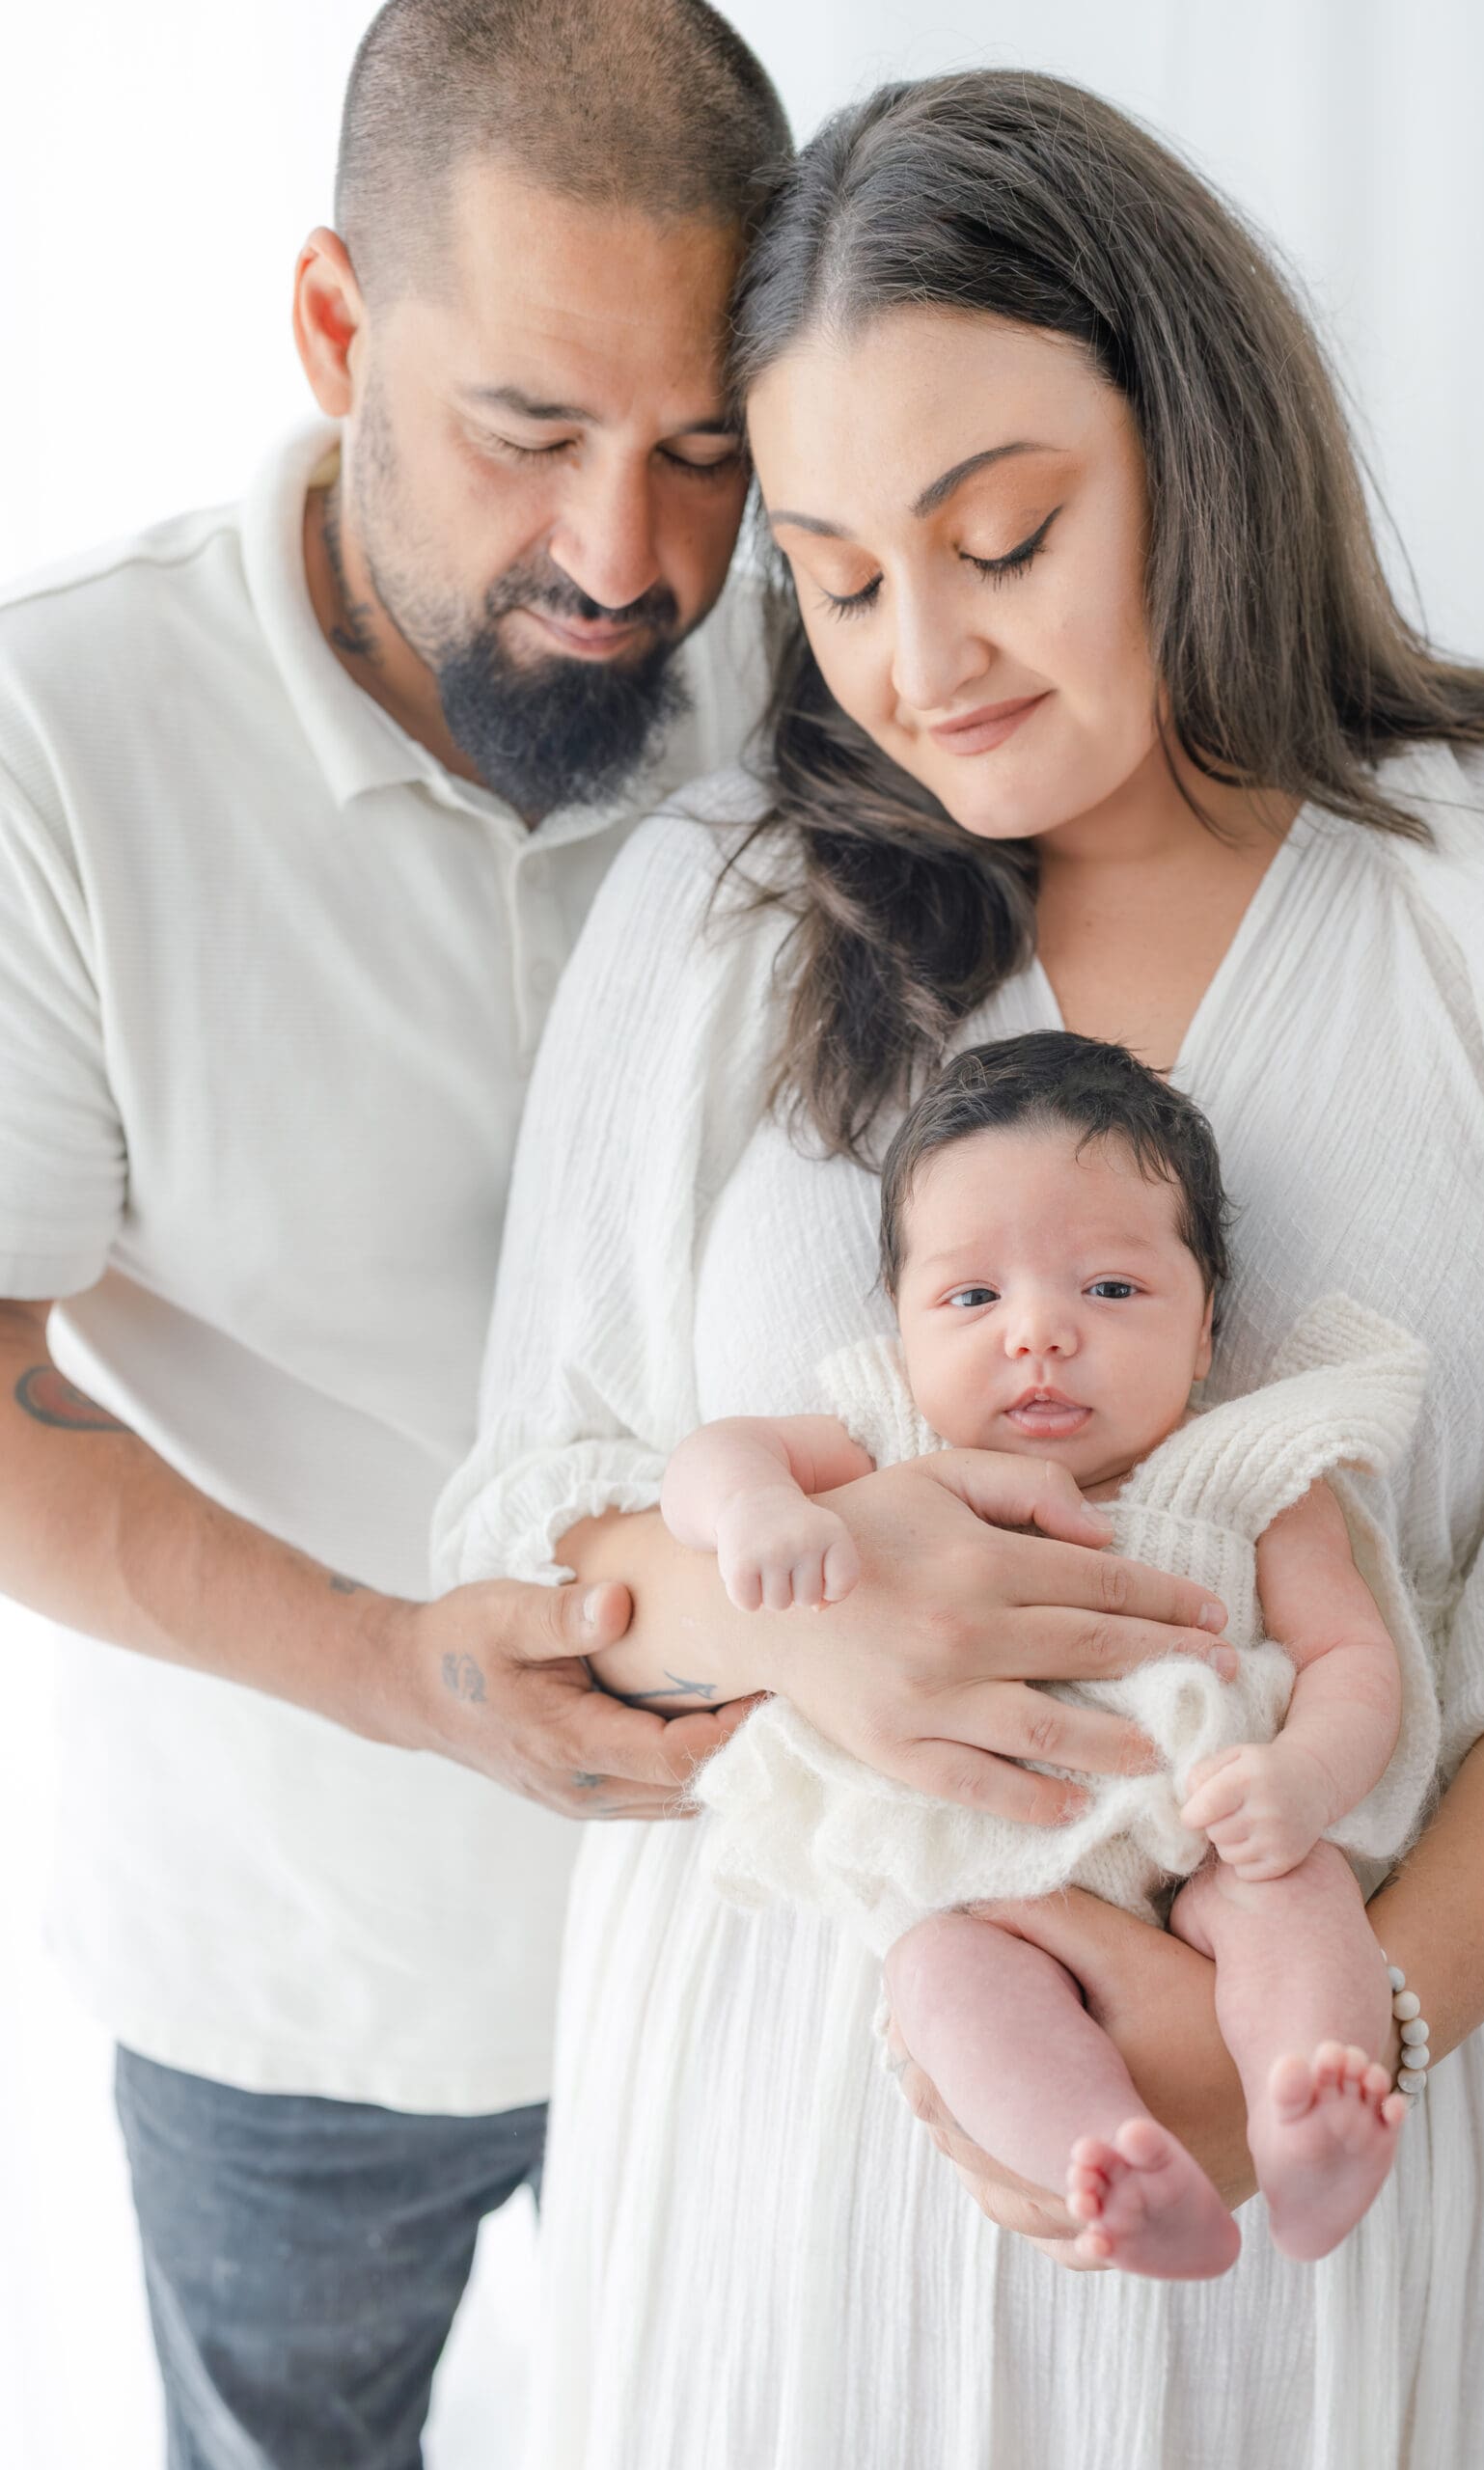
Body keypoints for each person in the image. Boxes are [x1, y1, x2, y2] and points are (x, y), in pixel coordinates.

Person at [435, 67, 1484, 2470]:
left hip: (1389, 2190)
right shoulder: (718, 910)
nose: (923, 659)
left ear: (1194, 446)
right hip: (799, 2208)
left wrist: (1341, 2023)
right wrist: (802, 1604)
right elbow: (520, 1540)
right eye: (842, 573)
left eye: (1004, 536)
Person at [0, 3, 797, 2460]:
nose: (628, 559)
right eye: (528, 433)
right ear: (339, 328)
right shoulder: (61, 740)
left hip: (772, 1922)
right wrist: (396, 1666)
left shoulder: (833, 647)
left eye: (703, 450)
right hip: (291, 1979)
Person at [654, 1030, 1426, 2275]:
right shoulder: (883, 1440)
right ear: (902, 1329)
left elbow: (1353, 1657)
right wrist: (757, 1511)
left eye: (1110, 1291)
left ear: (1207, 1327)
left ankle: (1314, 2119)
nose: (1039, 1336)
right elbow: (707, 1459)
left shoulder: (1252, 1473)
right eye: (971, 1298)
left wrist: (1304, 1784)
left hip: (1211, 1839)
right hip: (989, 1886)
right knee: (943, 1977)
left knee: (1297, 1898)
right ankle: (1110, 2162)